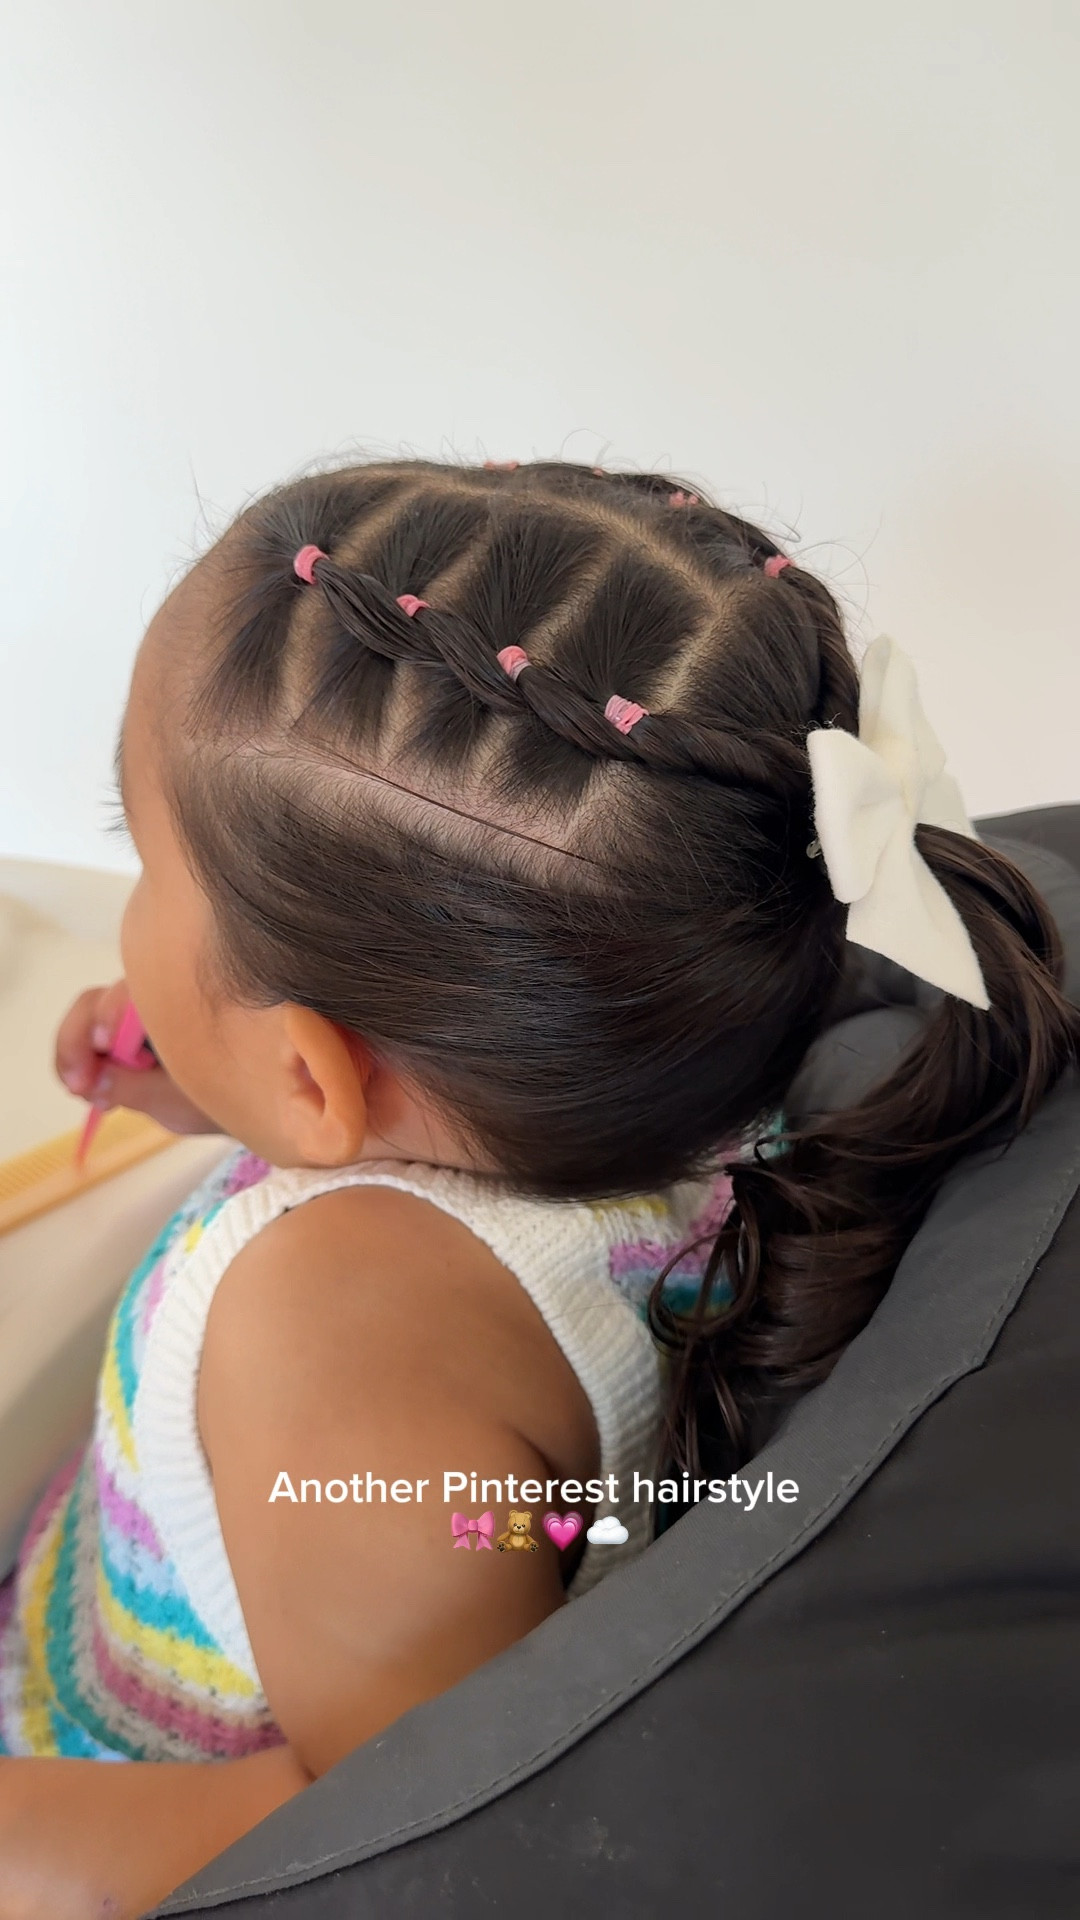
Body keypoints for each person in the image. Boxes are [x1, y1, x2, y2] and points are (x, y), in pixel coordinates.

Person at [0, 457, 1075, 1917]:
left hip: (124, 1779)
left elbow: (373, 1833)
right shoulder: (692, 1058)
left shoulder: (332, 1353)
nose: (125, 905)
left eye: (138, 856)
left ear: (317, 1077)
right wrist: (209, 1077)